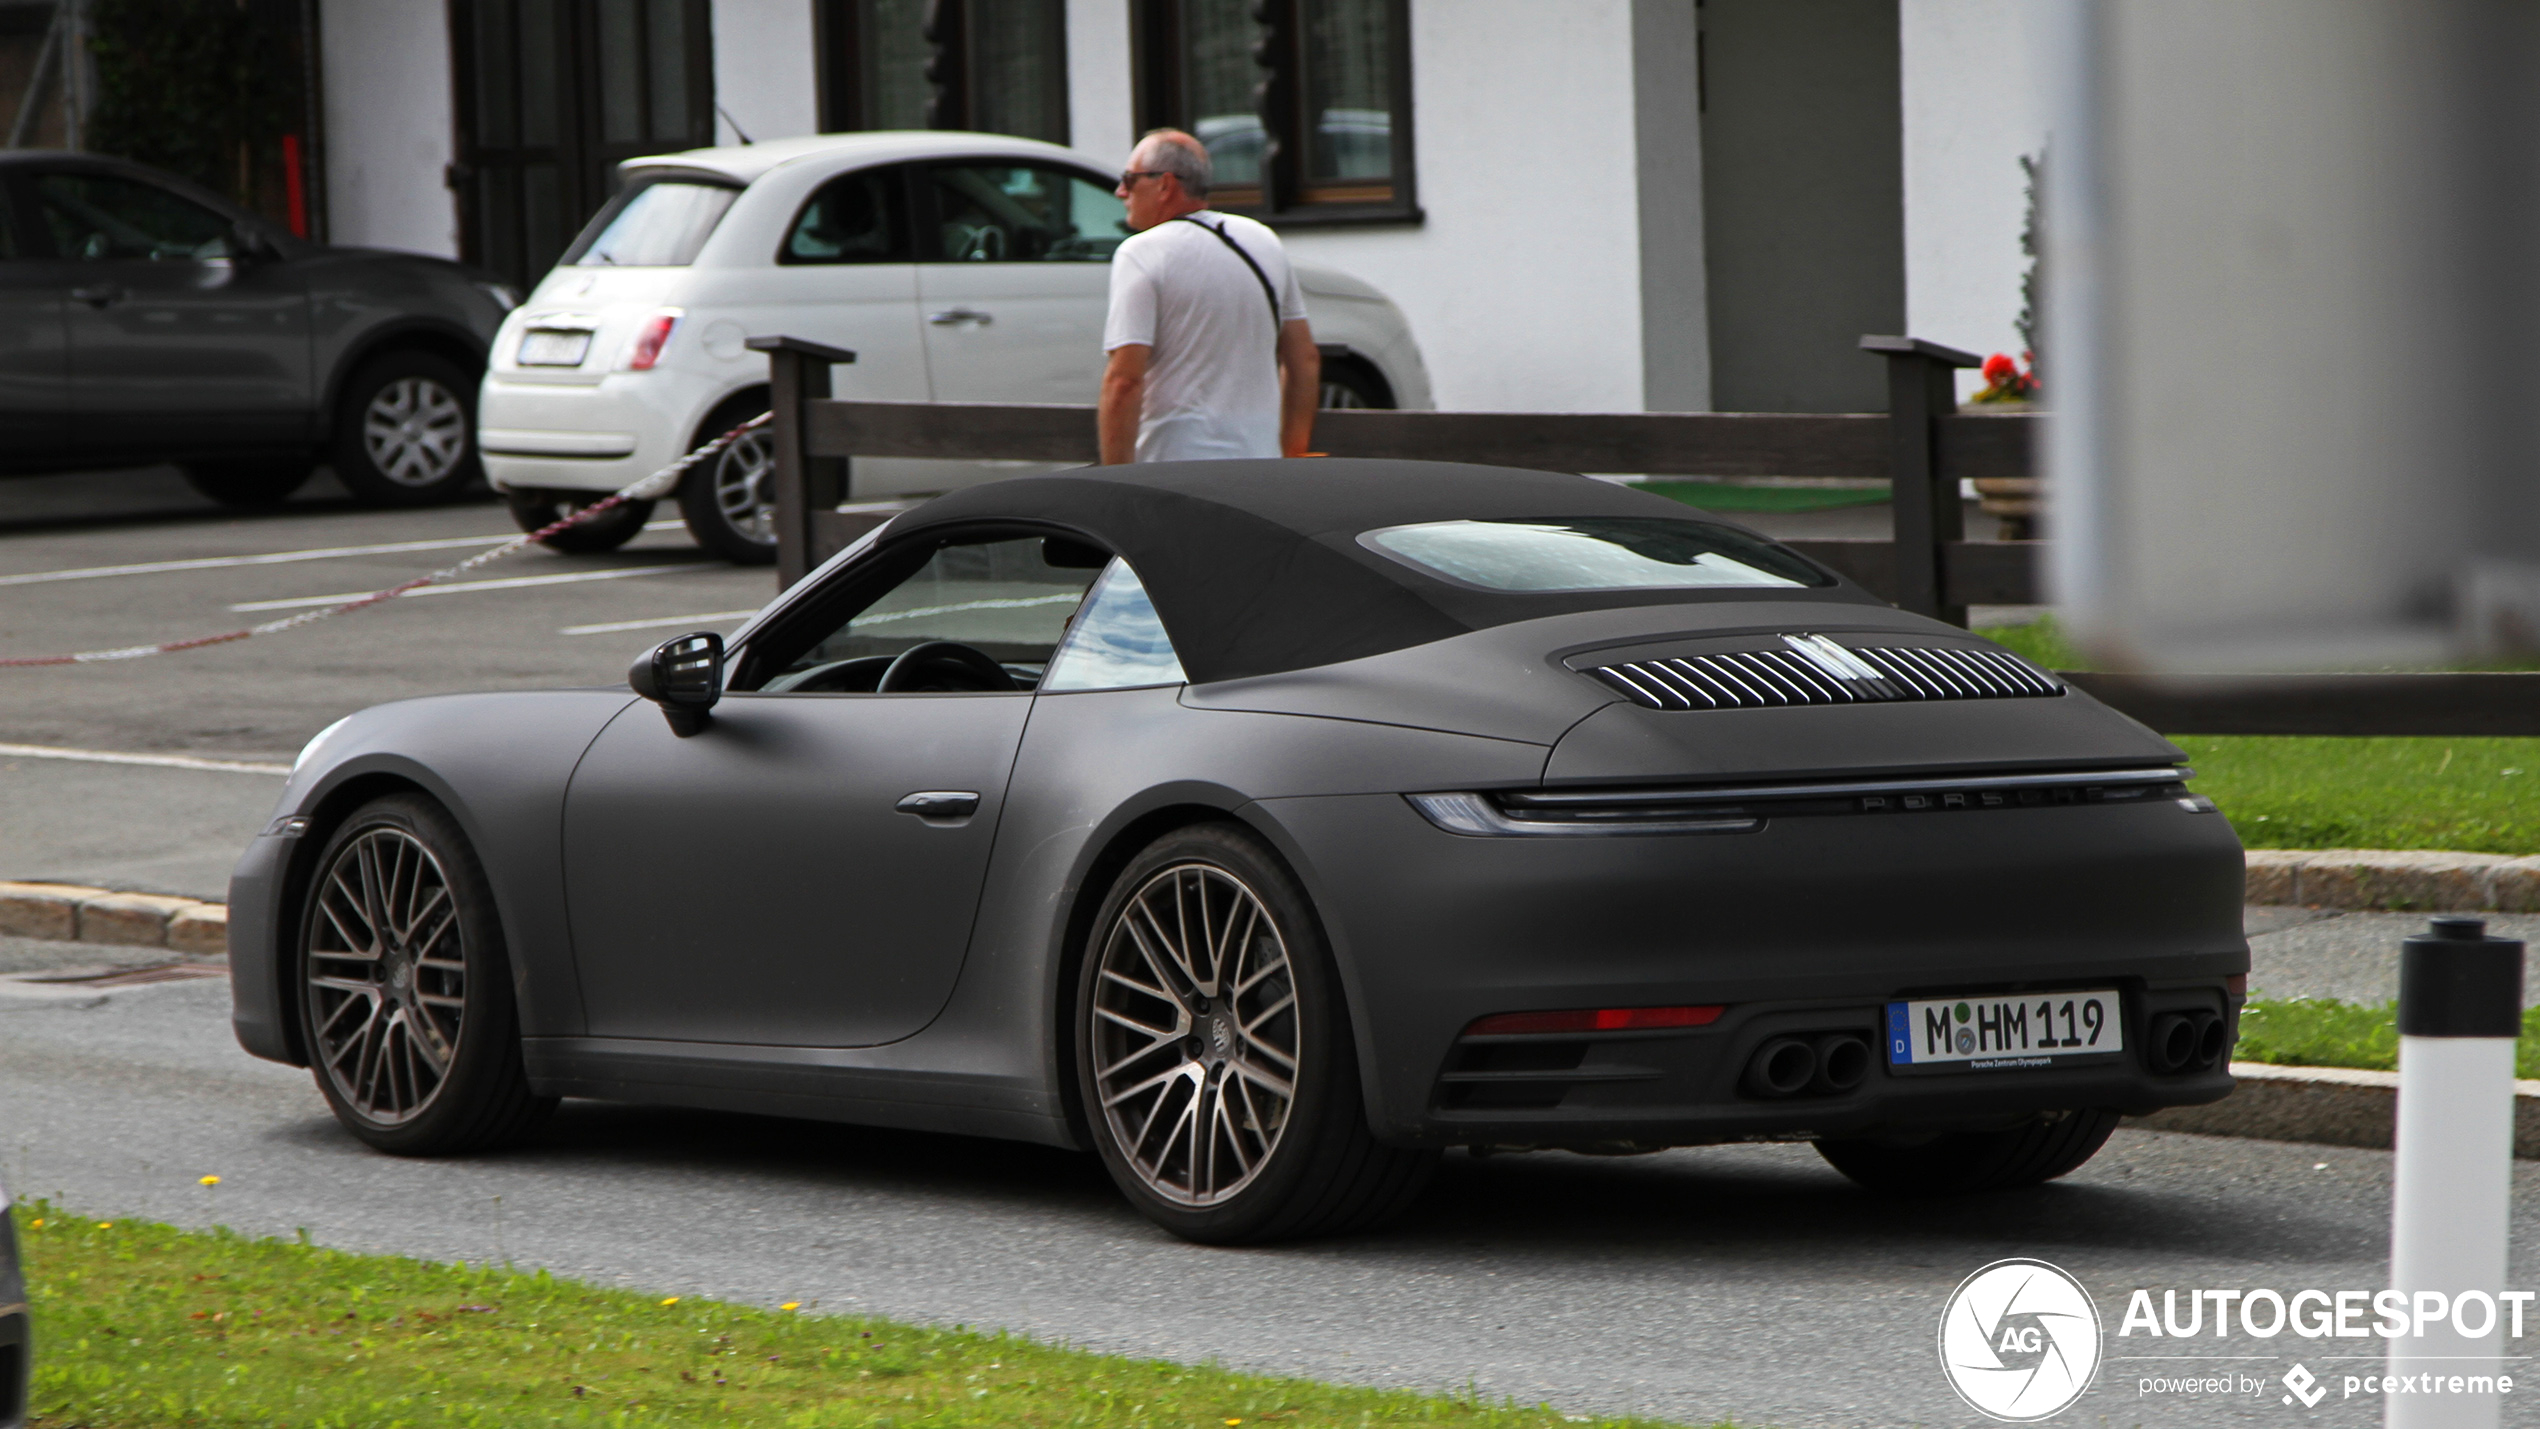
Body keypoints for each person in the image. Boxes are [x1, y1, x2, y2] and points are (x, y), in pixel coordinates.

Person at [1099, 129, 1320, 464]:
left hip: (1174, 466)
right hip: (1259, 462)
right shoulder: (1263, 241)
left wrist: (1114, 483)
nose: (1120, 192)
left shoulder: (1141, 253)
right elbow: (1304, 360)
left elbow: (1124, 381)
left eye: (1129, 180)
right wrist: (1291, 452)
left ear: (1165, 184)